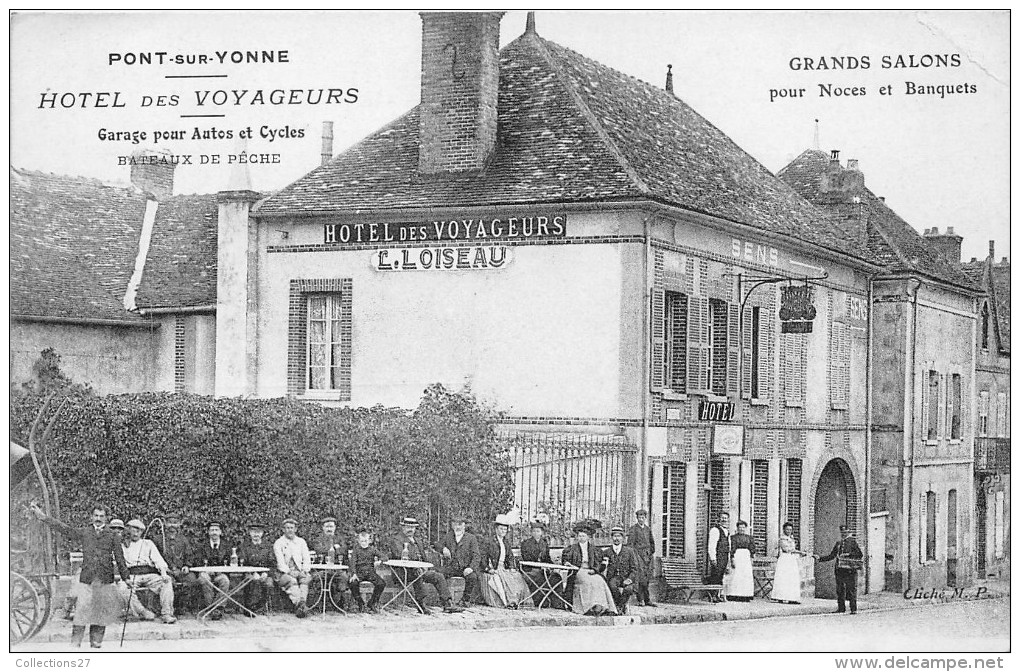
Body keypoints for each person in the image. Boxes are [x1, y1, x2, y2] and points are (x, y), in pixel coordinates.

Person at [30, 502, 130, 649]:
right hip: (87, 578)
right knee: (81, 612)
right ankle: (75, 644)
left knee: (100, 614)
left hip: (105, 579)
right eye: (96, 515)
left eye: (102, 516)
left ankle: (96, 644)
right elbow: (65, 529)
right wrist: (43, 517)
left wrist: (126, 577)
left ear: (106, 518)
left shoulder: (113, 536)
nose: (98, 519)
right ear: (91, 517)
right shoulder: (85, 532)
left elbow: (120, 558)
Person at [387, 516, 464, 614]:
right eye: (408, 527)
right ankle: (420, 605)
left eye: (413, 527)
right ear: (403, 528)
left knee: (438, 576)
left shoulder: (417, 540)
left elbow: (423, 557)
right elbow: (399, 555)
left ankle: (447, 604)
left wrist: (426, 566)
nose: (410, 530)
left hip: (420, 570)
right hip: (403, 572)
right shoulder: (397, 540)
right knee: (417, 574)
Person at [120, 519, 177, 623]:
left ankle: (167, 614)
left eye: (139, 531)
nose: (136, 533)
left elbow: (158, 560)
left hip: (150, 574)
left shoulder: (148, 543)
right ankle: (142, 611)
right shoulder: (123, 545)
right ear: (128, 531)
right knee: (122, 588)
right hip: (132, 575)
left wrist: (164, 574)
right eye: (134, 530)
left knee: (167, 582)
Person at [560, 522, 617, 616]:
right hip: (578, 570)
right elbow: (566, 560)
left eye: (583, 536)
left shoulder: (594, 549)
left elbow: (599, 563)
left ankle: (602, 606)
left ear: (588, 537)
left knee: (599, 581)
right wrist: (567, 563)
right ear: (577, 537)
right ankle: (589, 606)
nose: (581, 538)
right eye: (580, 536)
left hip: (592, 570)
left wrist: (595, 570)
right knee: (587, 582)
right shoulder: (571, 548)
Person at [479, 514, 530, 609]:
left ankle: (515, 601)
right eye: (501, 529)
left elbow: (510, 557)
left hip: (503, 568)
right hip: (492, 569)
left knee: (517, 577)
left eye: (505, 529)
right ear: (496, 529)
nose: (503, 531)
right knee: (497, 579)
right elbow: (482, 557)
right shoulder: (489, 541)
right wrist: (488, 569)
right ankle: (505, 602)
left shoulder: (506, 542)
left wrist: (511, 568)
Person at [815, 524, 864, 614]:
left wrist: (848, 555)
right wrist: (820, 558)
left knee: (851, 589)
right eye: (842, 532)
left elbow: (859, 554)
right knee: (840, 589)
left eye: (845, 532)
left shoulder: (853, 542)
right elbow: (832, 556)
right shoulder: (838, 544)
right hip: (839, 569)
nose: (843, 534)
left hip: (850, 569)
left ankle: (853, 609)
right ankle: (841, 608)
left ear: (849, 532)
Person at [519, 520, 567, 609]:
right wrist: (541, 565)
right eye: (534, 531)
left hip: (543, 570)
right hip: (530, 570)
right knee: (540, 578)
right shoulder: (525, 544)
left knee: (557, 577)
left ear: (542, 532)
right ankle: (541, 602)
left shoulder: (544, 543)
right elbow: (527, 558)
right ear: (531, 532)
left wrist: (553, 566)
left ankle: (557, 603)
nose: (536, 533)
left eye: (538, 531)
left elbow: (547, 559)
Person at [439, 514, 482, 606]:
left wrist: (471, 568)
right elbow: (437, 544)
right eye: (455, 524)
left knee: (473, 577)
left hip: (465, 568)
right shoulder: (448, 536)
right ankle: (446, 600)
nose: (457, 527)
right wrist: (443, 549)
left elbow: (477, 556)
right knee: (439, 575)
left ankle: (465, 600)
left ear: (464, 526)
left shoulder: (471, 538)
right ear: (452, 525)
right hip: (451, 567)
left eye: (460, 524)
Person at [274, 518, 312, 618]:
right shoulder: (278, 543)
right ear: (283, 530)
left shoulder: (301, 542)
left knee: (305, 579)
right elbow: (280, 563)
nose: (290, 530)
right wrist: (289, 572)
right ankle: (301, 605)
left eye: (292, 528)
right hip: (284, 573)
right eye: (287, 528)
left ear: (295, 529)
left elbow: (307, 558)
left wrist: (304, 570)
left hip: (299, 571)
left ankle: (301, 606)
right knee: (291, 580)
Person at [311, 516, 351, 610]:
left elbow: (344, 550)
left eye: (331, 527)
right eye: (327, 527)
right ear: (323, 528)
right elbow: (319, 550)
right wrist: (335, 548)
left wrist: (334, 550)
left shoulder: (340, 539)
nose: (329, 529)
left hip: (338, 570)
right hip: (322, 569)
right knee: (318, 579)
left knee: (343, 578)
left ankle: (339, 604)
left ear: (335, 527)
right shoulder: (318, 540)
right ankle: (320, 604)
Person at [159, 516, 198, 613]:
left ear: (179, 524)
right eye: (169, 522)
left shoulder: (184, 540)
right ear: (165, 524)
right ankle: (169, 608)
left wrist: (187, 566)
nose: (172, 525)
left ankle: (182, 606)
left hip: (181, 571)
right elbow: (155, 557)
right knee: (168, 582)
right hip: (165, 571)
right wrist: (165, 569)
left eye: (175, 522)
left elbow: (189, 555)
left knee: (191, 579)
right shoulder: (158, 539)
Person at [238, 521, 276, 615]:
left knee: (269, 583)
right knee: (252, 580)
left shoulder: (268, 547)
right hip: (249, 573)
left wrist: (266, 573)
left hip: (265, 573)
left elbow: (273, 564)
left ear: (262, 533)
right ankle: (249, 607)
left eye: (258, 532)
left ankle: (261, 606)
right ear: (249, 533)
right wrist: (253, 572)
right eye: (253, 532)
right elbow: (242, 563)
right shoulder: (244, 547)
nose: (256, 534)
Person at [603, 525, 641, 614]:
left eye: (619, 536)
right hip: (614, 578)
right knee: (612, 585)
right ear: (612, 538)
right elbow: (602, 568)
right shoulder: (607, 552)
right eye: (615, 536)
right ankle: (621, 606)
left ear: (623, 538)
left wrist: (630, 579)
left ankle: (619, 606)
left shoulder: (629, 551)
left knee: (628, 589)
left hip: (627, 578)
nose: (617, 539)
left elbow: (635, 568)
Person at [348, 529, 387, 613]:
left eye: (365, 541)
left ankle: (372, 603)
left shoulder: (372, 549)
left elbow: (384, 557)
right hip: (359, 573)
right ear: (358, 541)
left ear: (369, 540)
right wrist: (354, 574)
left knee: (381, 584)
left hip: (370, 573)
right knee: (352, 584)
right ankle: (360, 603)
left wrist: (379, 561)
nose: (364, 543)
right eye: (362, 541)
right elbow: (352, 563)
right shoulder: (356, 550)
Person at [771, 522, 807, 604]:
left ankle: (792, 597)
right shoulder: (782, 539)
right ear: (784, 529)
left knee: (792, 578)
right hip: (785, 558)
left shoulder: (791, 538)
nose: (789, 531)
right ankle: (780, 596)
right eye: (787, 529)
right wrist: (800, 552)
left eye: (790, 529)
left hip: (791, 559)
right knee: (783, 578)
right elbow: (787, 549)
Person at [627, 509, 656, 607]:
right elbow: (630, 545)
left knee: (647, 578)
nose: (641, 519)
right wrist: (634, 556)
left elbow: (652, 542)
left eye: (643, 518)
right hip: (638, 555)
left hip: (647, 556)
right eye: (639, 518)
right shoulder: (633, 529)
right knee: (640, 578)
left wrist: (650, 552)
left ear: (645, 518)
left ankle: (647, 599)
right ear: (637, 518)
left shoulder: (647, 529)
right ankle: (641, 599)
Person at [706, 512, 731, 602]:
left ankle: (717, 595)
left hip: (724, 557)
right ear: (718, 519)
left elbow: (728, 547)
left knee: (720, 577)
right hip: (717, 557)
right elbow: (711, 545)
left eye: (726, 518)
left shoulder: (727, 532)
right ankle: (712, 595)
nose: (724, 520)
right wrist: (713, 558)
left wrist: (728, 560)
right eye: (722, 518)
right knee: (715, 576)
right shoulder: (715, 530)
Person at [727, 520, 755, 602]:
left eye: (743, 527)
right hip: (737, 556)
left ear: (745, 528)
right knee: (736, 575)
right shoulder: (733, 537)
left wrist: (752, 558)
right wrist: (732, 558)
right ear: (737, 528)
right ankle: (734, 594)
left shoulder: (749, 538)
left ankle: (745, 595)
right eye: (740, 527)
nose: (741, 529)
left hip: (746, 557)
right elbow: (732, 548)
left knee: (745, 576)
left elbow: (752, 549)